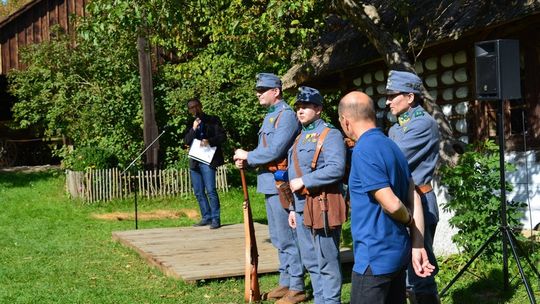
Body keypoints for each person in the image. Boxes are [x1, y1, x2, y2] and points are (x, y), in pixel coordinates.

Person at [338, 91, 434, 304]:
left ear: (345, 122)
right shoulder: (392, 146)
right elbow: (414, 195)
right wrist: (417, 243)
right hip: (398, 255)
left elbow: (390, 204)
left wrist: (408, 220)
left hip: (374, 260)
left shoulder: (363, 150)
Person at [233, 73, 306, 303]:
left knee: (288, 236)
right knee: (277, 236)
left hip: (280, 182)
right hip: (269, 182)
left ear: (276, 91)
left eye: (263, 89)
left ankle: (297, 286)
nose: (258, 93)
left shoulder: (285, 116)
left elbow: (275, 151)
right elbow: (265, 151)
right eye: (258, 89)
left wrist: (248, 155)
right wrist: (248, 160)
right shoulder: (271, 116)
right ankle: (286, 282)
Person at [286, 86, 346, 304]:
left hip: (323, 205)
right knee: (311, 260)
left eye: (306, 107)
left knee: (327, 261)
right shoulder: (299, 137)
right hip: (302, 207)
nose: (300, 111)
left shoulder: (330, 135)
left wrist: (305, 181)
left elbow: (336, 168)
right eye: (298, 107)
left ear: (318, 109)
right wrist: (293, 208)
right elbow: (293, 171)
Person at [385, 70, 441, 304]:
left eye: (392, 96)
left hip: (420, 203)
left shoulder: (423, 125)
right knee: (406, 270)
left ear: (410, 97)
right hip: (401, 204)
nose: (387, 101)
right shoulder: (396, 127)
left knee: (420, 273)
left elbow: (393, 161)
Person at [183, 98, 226, 229]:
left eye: (196, 106)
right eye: (191, 108)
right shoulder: (189, 123)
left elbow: (222, 137)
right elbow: (185, 141)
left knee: (211, 190)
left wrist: (209, 141)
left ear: (200, 106)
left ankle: (215, 218)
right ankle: (206, 216)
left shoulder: (213, 120)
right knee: (198, 191)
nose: (194, 109)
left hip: (208, 159)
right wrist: (193, 129)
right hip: (195, 160)